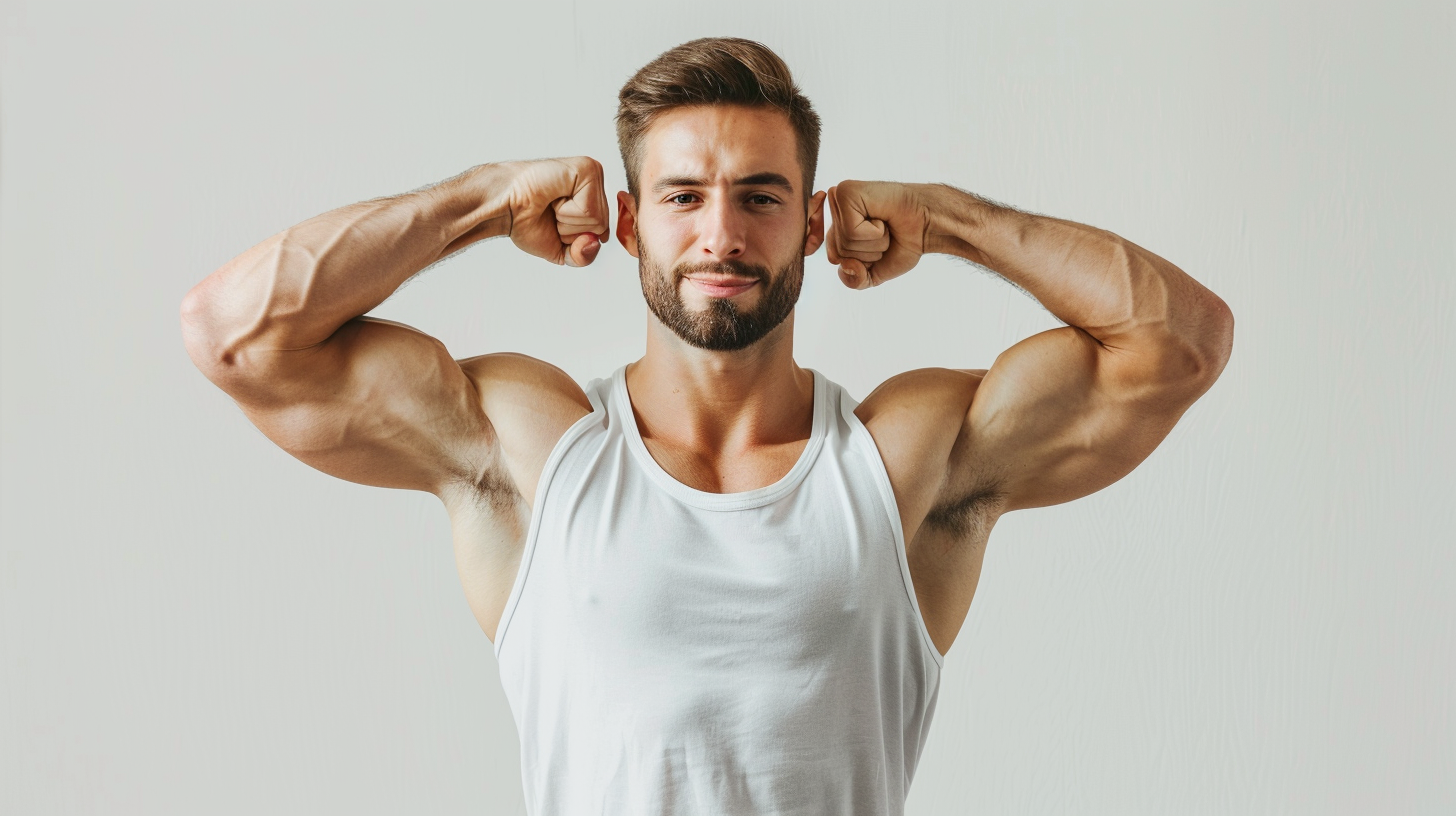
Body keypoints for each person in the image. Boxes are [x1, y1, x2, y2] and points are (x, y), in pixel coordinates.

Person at [180, 36, 1233, 816]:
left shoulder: (902, 459)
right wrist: (484, 201)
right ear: (630, 222)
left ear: (812, 220)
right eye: (683, 197)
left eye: (761, 197)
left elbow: (1181, 344)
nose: (721, 233)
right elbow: (235, 335)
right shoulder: (530, 448)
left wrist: (947, 219)